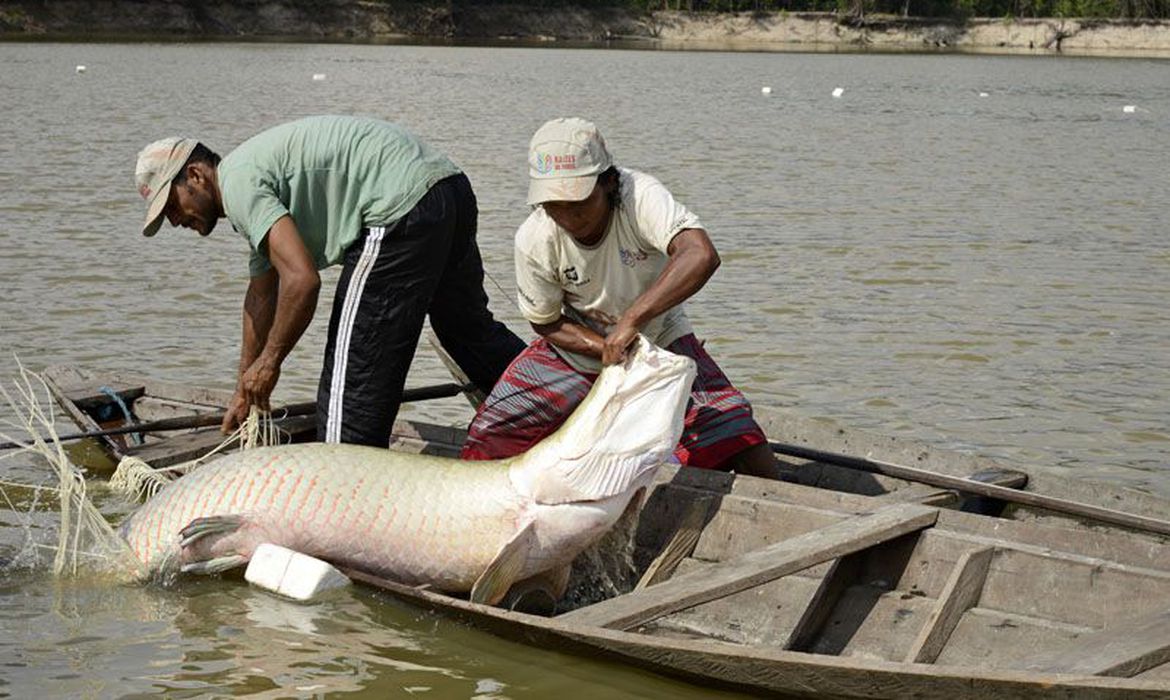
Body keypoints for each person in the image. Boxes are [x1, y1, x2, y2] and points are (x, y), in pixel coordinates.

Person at [135, 115, 525, 447]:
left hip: (398, 208)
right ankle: (556, 404)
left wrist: (270, 363)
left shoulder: (239, 185)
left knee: (351, 388)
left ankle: (346, 501)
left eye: (172, 206)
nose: (175, 221)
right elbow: (260, 296)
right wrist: (243, 387)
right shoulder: (250, 180)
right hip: (447, 188)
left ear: (196, 175)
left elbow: (302, 282)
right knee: (467, 331)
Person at [460, 117, 780, 479]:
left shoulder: (639, 196)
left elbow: (699, 253)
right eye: (553, 204)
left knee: (737, 431)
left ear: (608, 183)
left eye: (578, 202)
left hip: (658, 339)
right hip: (577, 346)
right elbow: (546, 321)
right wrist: (604, 347)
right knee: (489, 435)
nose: (567, 216)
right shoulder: (535, 237)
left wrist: (632, 322)